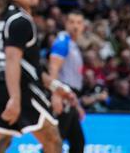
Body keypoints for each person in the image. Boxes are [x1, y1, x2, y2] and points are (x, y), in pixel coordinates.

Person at [0, 0, 67, 153]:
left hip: (2, 84)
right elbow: (13, 60)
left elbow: (29, 63)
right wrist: (15, 98)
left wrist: (53, 85)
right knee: (53, 141)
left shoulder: (8, 16)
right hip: (20, 88)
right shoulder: (21, 21)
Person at [48, 11, 86, 153]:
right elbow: (53, 67)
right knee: (55, 140)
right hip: (62, 95)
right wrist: (56, 94)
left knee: (77, 142)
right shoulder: (63, 41)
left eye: (79, 22)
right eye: (72, 22)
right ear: (66, 24)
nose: (75, 26)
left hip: (70, 96)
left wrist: (77, 105)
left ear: (83, 26)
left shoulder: (73, 44)